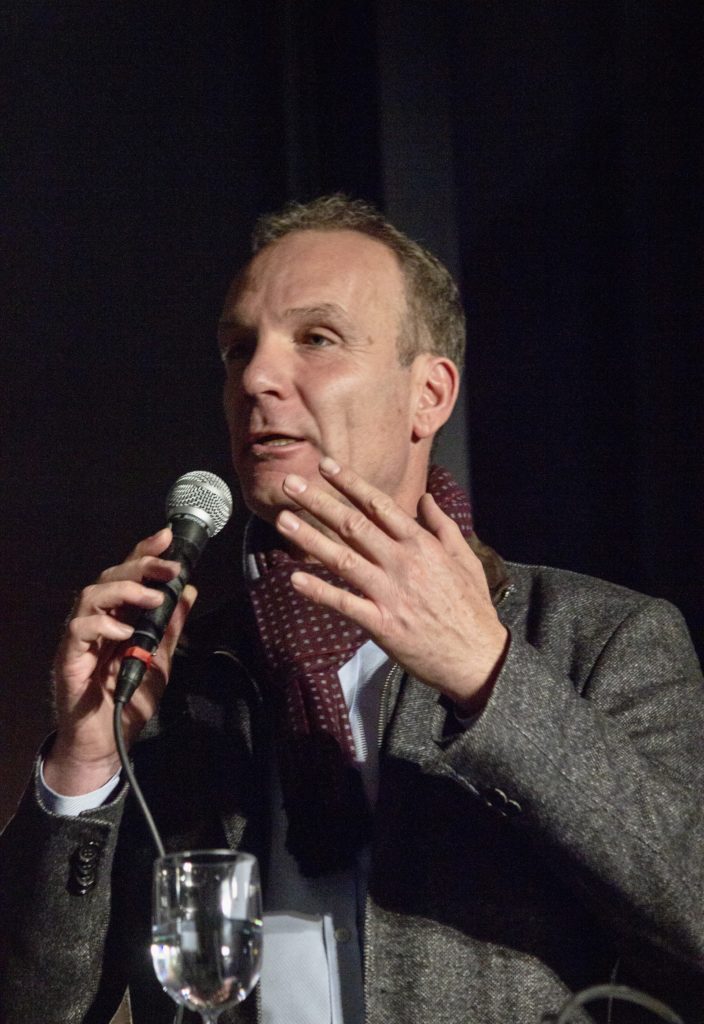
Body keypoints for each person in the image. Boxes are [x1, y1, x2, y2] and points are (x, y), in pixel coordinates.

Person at [1, 195, 703, 1024]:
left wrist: (490, 676)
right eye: (237, 349)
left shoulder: (598, 638)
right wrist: (83, 769)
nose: (256, 379)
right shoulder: (171, 677)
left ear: (429, 394)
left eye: (317, 339)